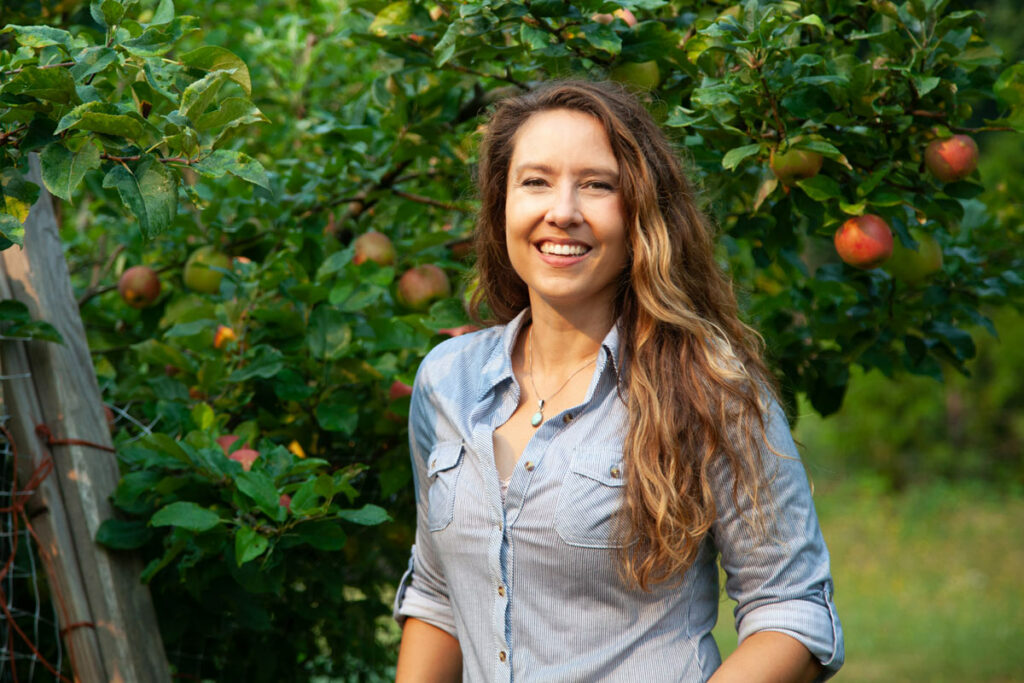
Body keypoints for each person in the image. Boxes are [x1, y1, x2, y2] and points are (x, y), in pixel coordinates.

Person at [392, 80, 844, 682]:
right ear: (501, 202)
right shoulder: (446, 382)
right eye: (535, 181)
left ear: (640, 212)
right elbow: (439, 595)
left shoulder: (707, 385)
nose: (563, 211)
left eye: (597, 185)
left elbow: (793, 610)